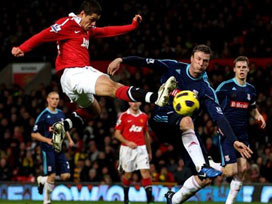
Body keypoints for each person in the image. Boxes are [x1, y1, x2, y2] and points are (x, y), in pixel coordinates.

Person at [108, 44, 253, 204]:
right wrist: (121, 59)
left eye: (205, 61)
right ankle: (203, 165)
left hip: (184, 132)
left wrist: (234, 140)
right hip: (161, 119)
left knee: (204, 179)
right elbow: (146, 62)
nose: (201, 63)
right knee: (187, 120)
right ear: (191, 59)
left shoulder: (205, 89)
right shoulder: (173, 67)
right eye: (198, 59)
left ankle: (174, 199)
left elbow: (219, 117)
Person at [12, 0, 176, 140]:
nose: (93, 24)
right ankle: (155, 97)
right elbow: (43, 34)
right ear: (82, 14)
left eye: (96, 21)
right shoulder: (67, 24)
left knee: (94, 110)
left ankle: (63, 127)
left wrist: (132, 26)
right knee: (113, 87)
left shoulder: (86, 30)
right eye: (91, 19)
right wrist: (23, 48)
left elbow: (106, 30)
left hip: (71, 82)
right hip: (75, 72)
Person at [211, 56, 266, 204]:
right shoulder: (225, 86)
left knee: (243, 168)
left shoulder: (251, 90)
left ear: (248, 69)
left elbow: (253, 108)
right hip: (228, 133)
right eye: (239, 67)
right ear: (234, 69)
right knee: (231, 171)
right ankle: (210, 164)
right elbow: (212, 104)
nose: (241, 70)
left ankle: (229, 203)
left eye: (244, 67)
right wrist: (218, 124)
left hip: (242, 134)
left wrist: (258, 115)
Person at [31, 91, 74, 204]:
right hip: (48, 149)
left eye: (57, 99)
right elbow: (34, 134)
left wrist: (70, 139)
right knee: (52, 175)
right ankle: (47, 201)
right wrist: (47, 140)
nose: (55, 101)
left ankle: (42, 180)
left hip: (59, 148)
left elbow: (64, 128)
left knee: (66, 175)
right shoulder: (43, 115)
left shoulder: (60, 113)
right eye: (53, 99)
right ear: (48, 99)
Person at [114, 102, 153, 204]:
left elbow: (146, 134)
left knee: (145, 172)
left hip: (141, 148)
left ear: (140, 102)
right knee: (128, 175)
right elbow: (117, 134)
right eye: (132, 101)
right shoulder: (124, 116)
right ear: (129, 102)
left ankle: (150, 201)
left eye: (137, 101)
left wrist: (149, 151)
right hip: (127, 149)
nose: (135, 104)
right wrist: (127, 142)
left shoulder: (144, 116)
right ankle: (126, 198)